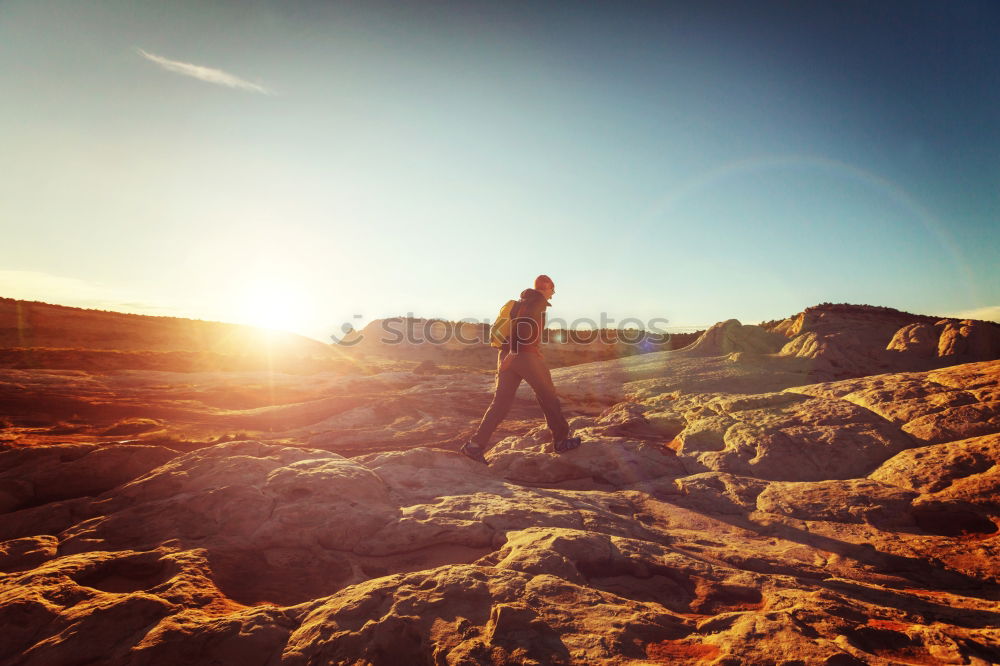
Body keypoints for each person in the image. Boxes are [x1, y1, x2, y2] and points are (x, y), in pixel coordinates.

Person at [461, 274, 581, 464]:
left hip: (510, 353)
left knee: (500, 402)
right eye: (552, 290)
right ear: (546, 287)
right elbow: (523, 326)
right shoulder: (537, 301)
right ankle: (561, 441)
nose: (553, 294)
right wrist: (516, 353)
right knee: (548, 395)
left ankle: (474, 445)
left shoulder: (521, 302)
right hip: (522, 356)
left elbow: (523, 329)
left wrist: (518, 352)